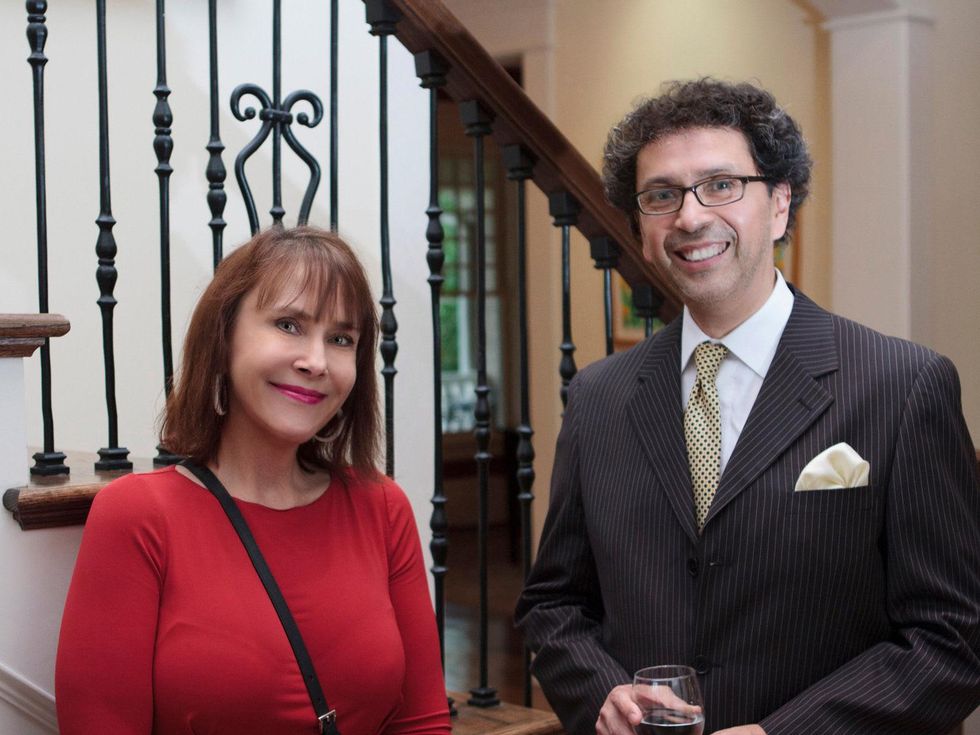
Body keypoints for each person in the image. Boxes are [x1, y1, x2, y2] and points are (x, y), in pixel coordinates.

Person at [516, 79, 980, 735]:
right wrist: (603, 693)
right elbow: (553, 603)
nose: (690, 216)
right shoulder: (598, 398)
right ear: (642, 228)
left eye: (722, 184)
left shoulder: (903, 385)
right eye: (661, 195)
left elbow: (955, 634)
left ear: (781, 204)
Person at [56, 226, 451, 735]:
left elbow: (421, 722)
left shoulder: (381, 507)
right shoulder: (139, 516)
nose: (316, 361)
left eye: (341, 339)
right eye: (288, 325)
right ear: (224, 338)